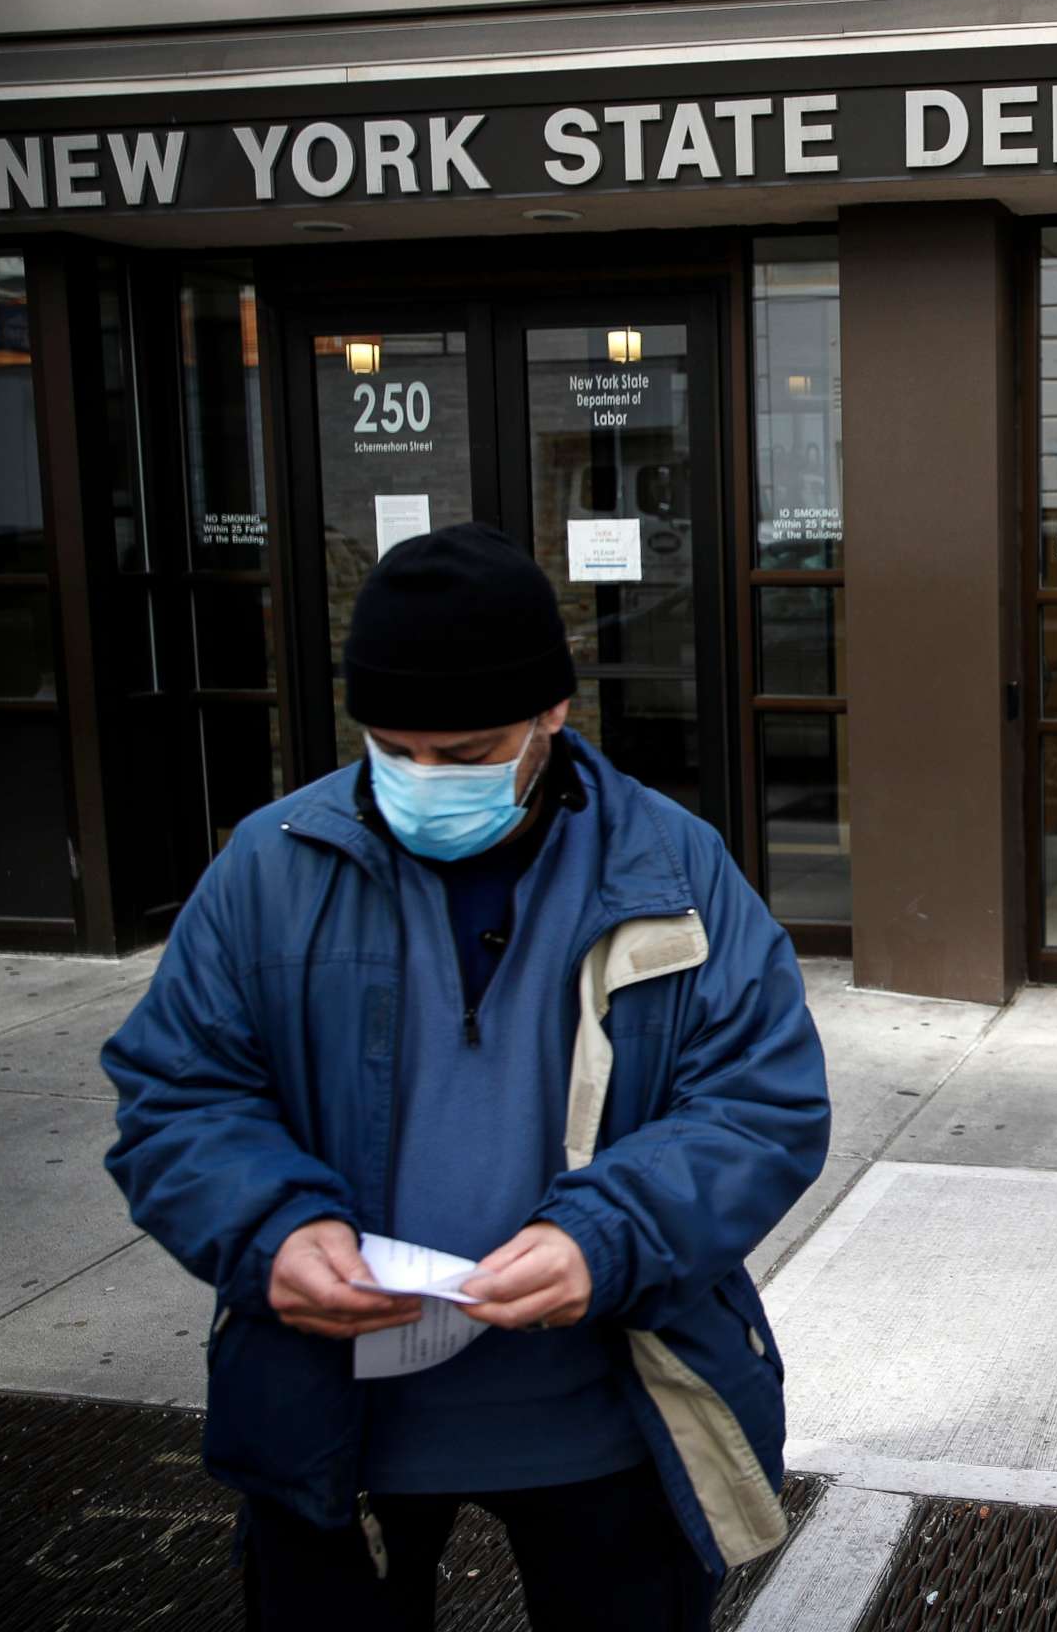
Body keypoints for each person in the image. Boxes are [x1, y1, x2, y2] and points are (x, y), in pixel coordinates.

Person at [101, 523, 830, 1632]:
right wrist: (270, 1229)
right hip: (331, 1420)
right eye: (395, 748)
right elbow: (176, 1093)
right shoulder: (267, 865)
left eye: (470, 752)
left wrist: (607, 1235)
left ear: (554, 714)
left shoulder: (674, 866)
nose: (425, 782)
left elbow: (760, 1103)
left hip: (610, 1409)